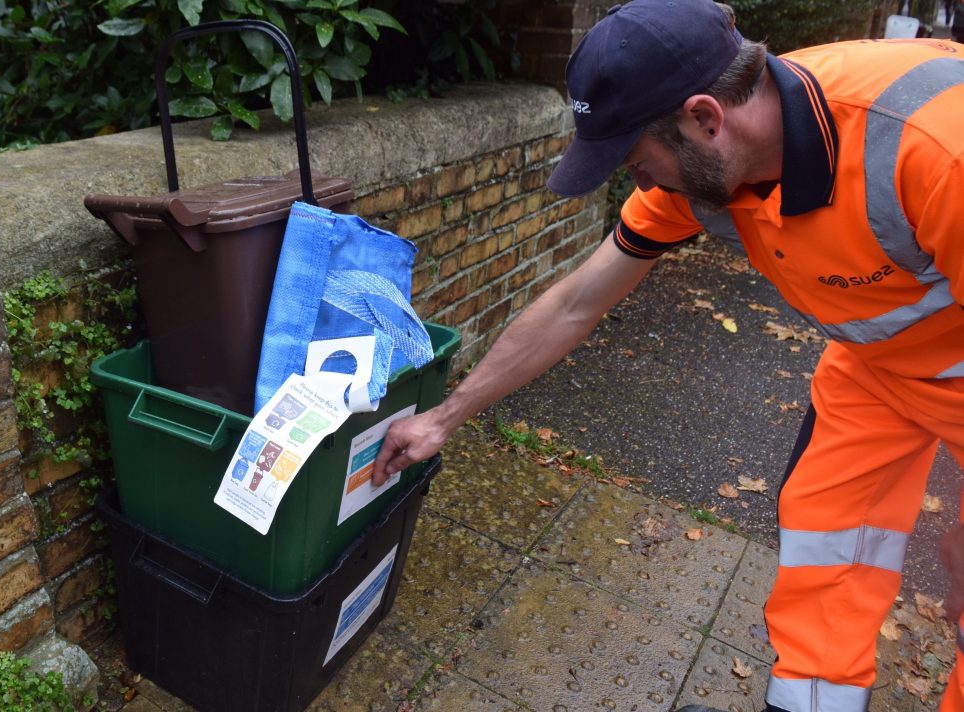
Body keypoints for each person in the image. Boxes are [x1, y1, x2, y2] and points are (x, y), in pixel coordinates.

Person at [371, 0, 964, 710]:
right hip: (875, 367)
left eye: (635, 161)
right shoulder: (713, 168)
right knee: (825, 545)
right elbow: (575, 303)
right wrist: (445, 417)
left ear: (706, 118)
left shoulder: (934, 148)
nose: (642, 184)